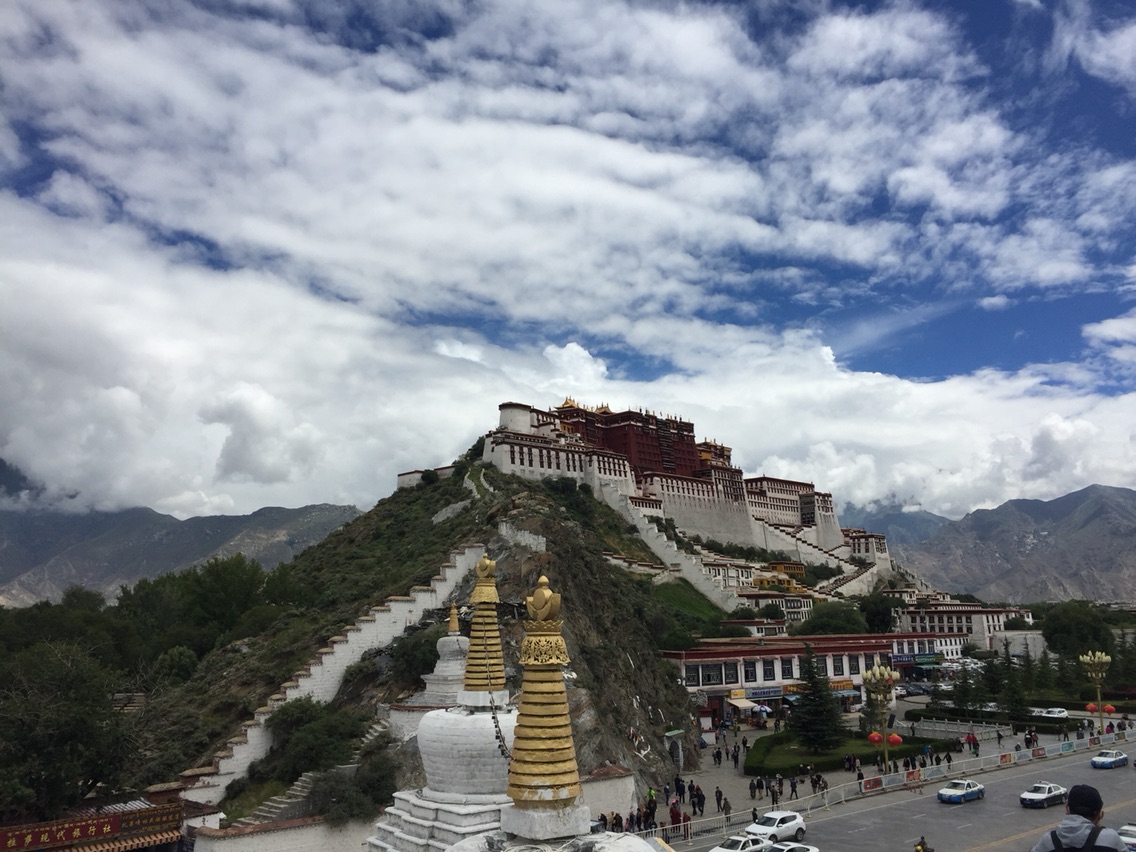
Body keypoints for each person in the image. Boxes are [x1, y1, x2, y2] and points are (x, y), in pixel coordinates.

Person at [1029, 784, 1128, 852]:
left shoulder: (1048, 841)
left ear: (1067, 808)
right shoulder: (1110, 839)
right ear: (1099, 814)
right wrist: (1098, 828)